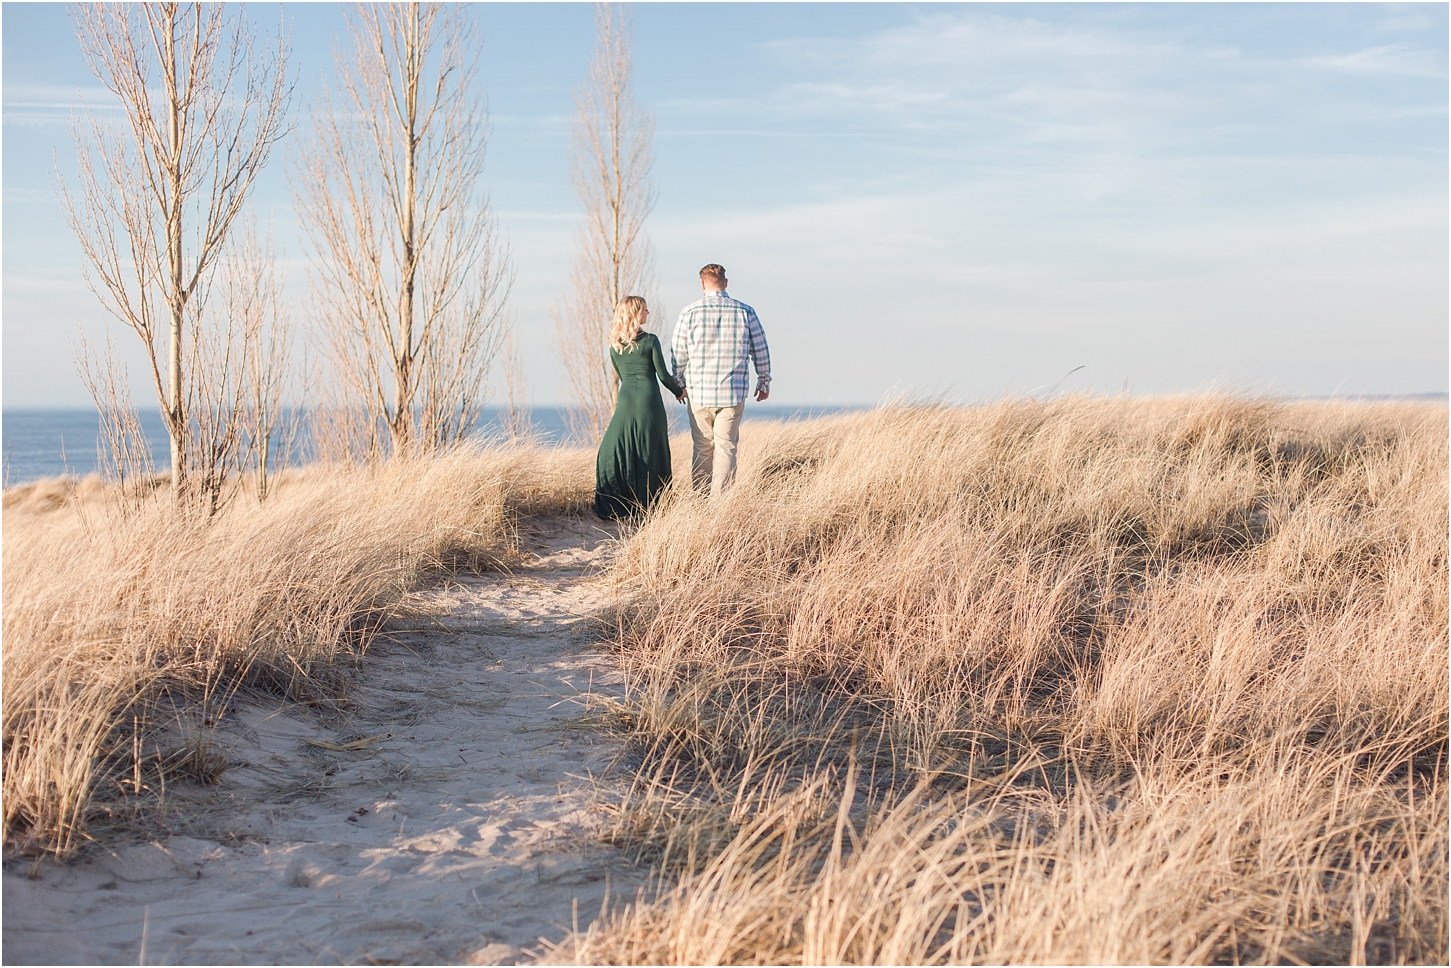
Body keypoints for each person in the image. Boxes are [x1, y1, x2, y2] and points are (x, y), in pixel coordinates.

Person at [670, 264, 771, 498]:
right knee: (726, 448)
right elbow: (761, 350)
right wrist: (763, 381)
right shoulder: (746, 311)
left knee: (703, 449)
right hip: (732, 393)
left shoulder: (689, 312)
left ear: (702, 284)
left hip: (699, 394)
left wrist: (679, 382)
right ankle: (720, 505)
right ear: (725, 283)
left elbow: (678, 353)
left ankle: (701, 501)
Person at [594, 296, 685, 520]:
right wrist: (679, 391)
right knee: (652, 448)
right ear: (635, 314)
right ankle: (653, 503)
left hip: (626, 399)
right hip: (649, 401)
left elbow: (620, 373)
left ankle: (619, 500)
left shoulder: (614, 346)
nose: (648, 313)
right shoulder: (651, 341)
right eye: (645, 310)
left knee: (613, 447)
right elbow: (663, 375)